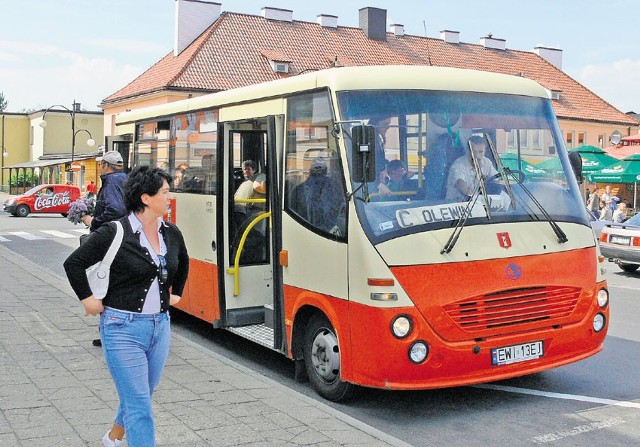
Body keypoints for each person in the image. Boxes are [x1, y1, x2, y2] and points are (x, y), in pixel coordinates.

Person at [63, 166, 189, 447]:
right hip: (122, 328)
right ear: (146, 198)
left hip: (160, 327)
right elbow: (73, 264)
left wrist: (175, 295)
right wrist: (88, 299)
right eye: (165, 192)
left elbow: (183, 263)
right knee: (139, 405)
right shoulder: (115, 232)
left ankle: (113, 438)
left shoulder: (171, 232)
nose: (170, 197)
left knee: (142, 393)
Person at [81, 151, 128, 347]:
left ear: (106, 166)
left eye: (101, 164)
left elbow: (115, 210)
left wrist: (93, 221)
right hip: (126, 238)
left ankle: (109, 333)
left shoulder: (110, 182)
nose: (100, 167)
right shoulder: (126, 179)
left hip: (112, 239)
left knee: (107, 286)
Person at [292, 157, 344, 235]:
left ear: (310, 171)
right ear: (326, 171)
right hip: (329, 231)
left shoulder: (299, 188)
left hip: (304, 229)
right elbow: (339, 205)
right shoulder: (334, 186)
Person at [445, 135, 498, 201]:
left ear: (485, 151)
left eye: (480, 152)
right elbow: (460, 184)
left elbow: (496, 181)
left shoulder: (487, 162)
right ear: (468, 151)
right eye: (474, 152)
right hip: (456, 206)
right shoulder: (458, 165)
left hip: (477, 205)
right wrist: (478, 199)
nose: (477, 156)